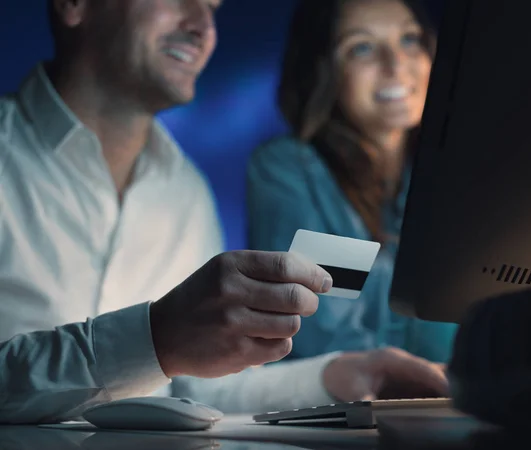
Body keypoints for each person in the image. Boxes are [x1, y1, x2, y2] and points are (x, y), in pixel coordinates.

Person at [0, 0, 449, 424]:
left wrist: (346, 374)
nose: (203, 26)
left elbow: (200, 387)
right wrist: (154, 339)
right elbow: (319, 325)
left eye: (213, 5)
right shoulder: (290, 170)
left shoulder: (184, 191)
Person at [247, 0, 457, 363]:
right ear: (322, 69)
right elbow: (319, 333)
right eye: (362, 47)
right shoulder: (289, 170)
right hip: (345, 410)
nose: (396, 65)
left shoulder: (448, 173)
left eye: (409, 39)